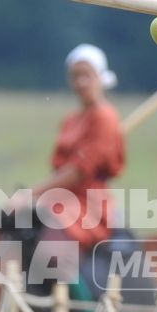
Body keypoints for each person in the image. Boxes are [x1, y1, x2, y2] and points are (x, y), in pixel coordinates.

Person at [15, 43, 127, 255]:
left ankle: (76, 289)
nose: (81, 82)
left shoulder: (105, 117)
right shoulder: (71, 120)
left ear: (100, 77)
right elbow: (60, 168)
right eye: (75, 76)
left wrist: (29, 194)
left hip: (88, 206)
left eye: (87, 75)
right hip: (61, 198)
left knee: (53, 246)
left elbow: (78, 171)